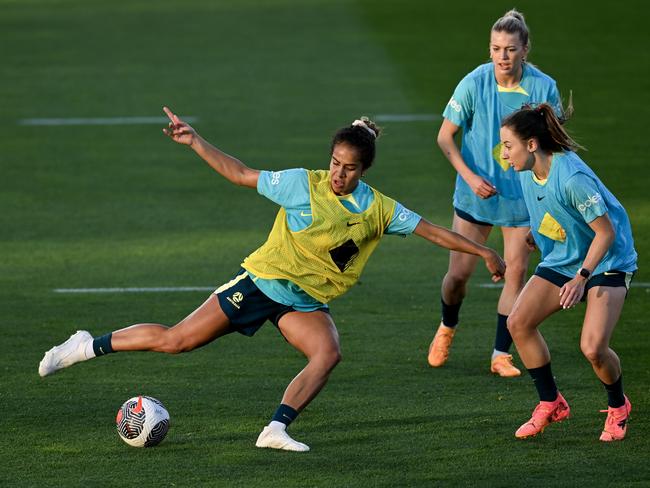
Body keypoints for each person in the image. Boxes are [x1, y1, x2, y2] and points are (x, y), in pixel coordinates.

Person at [39, 107, 506, 452]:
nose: (339, 174)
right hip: (261, 284)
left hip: (303, 301)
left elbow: (431, 230)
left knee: (328, 353)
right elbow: (241, 173)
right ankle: (83, 345)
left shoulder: (379, 208)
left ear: (365, 170)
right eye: (336, 162)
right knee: (175, 341)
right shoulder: (304, 184)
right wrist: (196, 140)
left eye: (350, 167)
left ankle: (276, 429)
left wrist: (484, 248)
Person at [429, 9, 565, 377]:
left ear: (525, 51)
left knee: (516, 274)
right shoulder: (474, 83)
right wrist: (471, 178)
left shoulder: (543, 88)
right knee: (458, 276)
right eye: (495, 48)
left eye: (510, 49)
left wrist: (548, 206)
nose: (502, 57)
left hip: (522, 201)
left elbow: (553, 148)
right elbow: (445, 137)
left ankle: (500, 354)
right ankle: (447, 326)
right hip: (476, 197)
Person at [500, 103, 637, 441]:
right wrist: (538, 232)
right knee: (518, 322)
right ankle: (551, 402)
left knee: (592, 348)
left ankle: (618, 406)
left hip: (606, 261)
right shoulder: (528, 172)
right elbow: (551, 208)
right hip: (565, 258)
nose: (504, 155)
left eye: (508, 146)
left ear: (531, 144)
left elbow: (606, 233)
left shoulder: (572, 178)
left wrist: (582, 277)